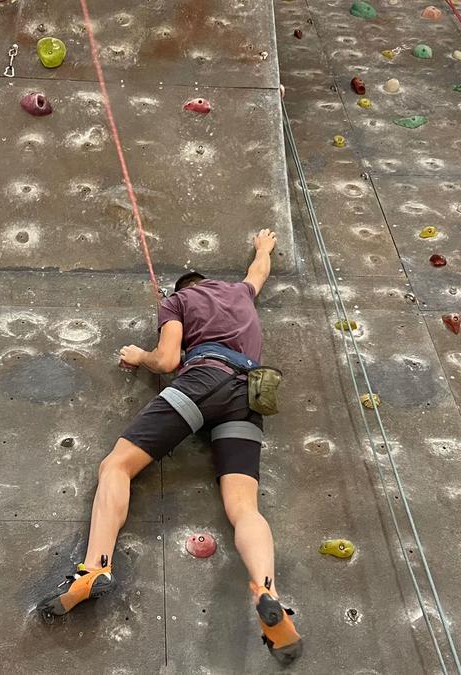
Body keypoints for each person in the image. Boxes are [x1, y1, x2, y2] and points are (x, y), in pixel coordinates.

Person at [40, 228, 302, 665]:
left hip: (203, 381)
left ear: (182, 289)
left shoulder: (176, 302)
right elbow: (259, 271)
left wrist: (137, 354)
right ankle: (267, 590)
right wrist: (262, 247)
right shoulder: (241, 292)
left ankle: (95, 568)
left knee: (117, 467)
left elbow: (167, 361)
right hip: (249, 394)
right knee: (244, 508)